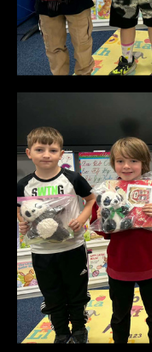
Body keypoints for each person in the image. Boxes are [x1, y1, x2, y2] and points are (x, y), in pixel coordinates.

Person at [90, 137, 152, 344]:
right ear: (113, 164)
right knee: (120, 314)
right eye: (120, 161)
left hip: (151, 265)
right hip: (120, 265)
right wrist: (104, 216)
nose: (127, 166)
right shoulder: (107, 192)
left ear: (144, 164)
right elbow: (101, 230)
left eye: (133, 161)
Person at [17, 127, 97, 343]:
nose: (46, 154)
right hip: (42, 251)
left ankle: (80, 330)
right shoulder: (24, 184)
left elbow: (91, 200)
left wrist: (81, 219)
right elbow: (19, 207)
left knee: (77, 293)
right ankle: (61, 332)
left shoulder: (72, 178)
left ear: (61, 154)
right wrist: (22, 223)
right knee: (52, 295)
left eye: (52, 150)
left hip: (72, 247)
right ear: (29, 153)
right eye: (40, 149)